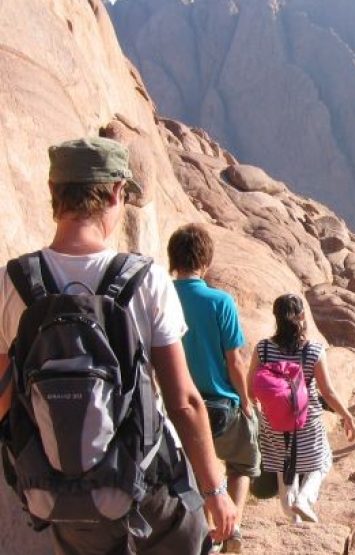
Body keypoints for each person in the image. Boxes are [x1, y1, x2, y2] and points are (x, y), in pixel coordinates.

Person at [0, 137, 235, 554]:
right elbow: (183, 402)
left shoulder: (12, 282)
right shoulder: (145, 280)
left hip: (58, 496)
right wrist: (215, 489)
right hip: (147, 487)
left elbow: (4, 397)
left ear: (54, 191)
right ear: (114, 193)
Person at [168, 223, 259, 553]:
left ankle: (210, 530)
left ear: (172, 258)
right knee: (242, 464)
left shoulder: (161, 296)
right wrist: (245, 402)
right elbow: (234, 361)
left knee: (194, 471)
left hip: (175, 406)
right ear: (205, 262)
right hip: (220, 405)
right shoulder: (220, 301)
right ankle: (231, 527)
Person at [253, 293, 355, 524]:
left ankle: (294, 519)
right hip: (305, 419)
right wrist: (347, 416)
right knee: (322, 460)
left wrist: (260, 412)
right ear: (302, 316)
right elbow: (327, 392)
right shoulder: (313, 350)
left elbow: (252, 386)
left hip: (273, 421)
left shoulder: (263, 349)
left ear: (276, 317)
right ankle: (305, 499)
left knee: (283, 466)